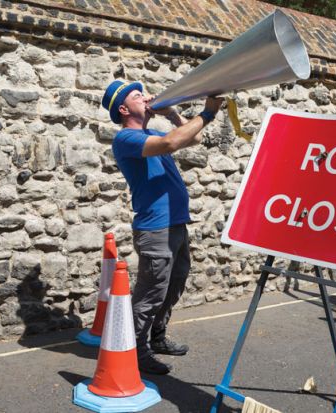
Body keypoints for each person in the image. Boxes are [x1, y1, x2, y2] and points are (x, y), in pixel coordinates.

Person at [101, 79, 223, 375]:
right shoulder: (126, 139)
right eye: (136, 95)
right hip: (155, 229)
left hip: (176, 225)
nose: (144, 97)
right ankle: (135, 350)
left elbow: (189, 139)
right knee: (151, 292)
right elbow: (172, 143)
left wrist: (171, 114)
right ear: (122, 108)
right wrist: (206, 113)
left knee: (175, 284)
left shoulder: (151, 132)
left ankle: (157, 337)